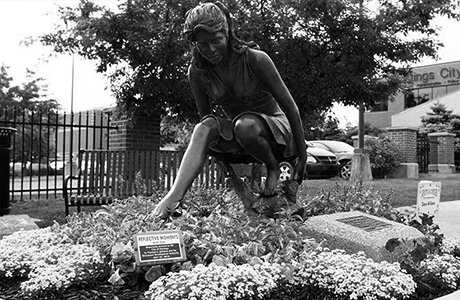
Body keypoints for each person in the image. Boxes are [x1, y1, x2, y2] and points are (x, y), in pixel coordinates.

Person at [153, 1, 307, 219]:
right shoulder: (197, 72)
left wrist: (302, 154)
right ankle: (173, 199)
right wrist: (222, 163)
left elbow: (291, 108)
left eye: (216, 41)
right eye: (202, 45)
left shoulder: (255, 59)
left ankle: (271, 166)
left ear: (227, 33)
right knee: (205, 126)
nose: (211, 50)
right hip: (239, 132)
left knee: (245, 125)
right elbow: (207, 125)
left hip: (276, 128)